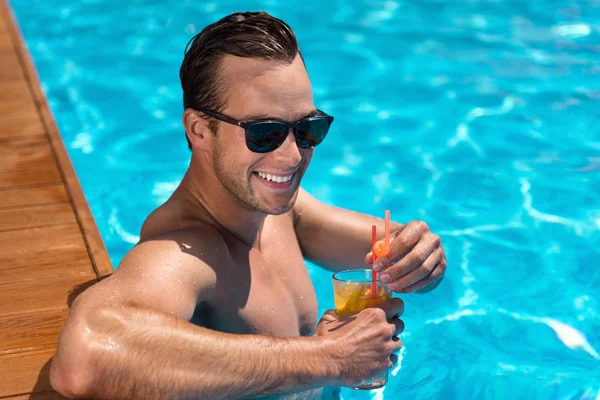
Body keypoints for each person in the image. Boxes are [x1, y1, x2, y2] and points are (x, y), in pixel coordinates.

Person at [50, 11, 447, 400]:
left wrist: (419, 256)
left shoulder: (280, 211)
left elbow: (387, 247)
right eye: (265, 133)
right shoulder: (183, 254)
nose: (292, 156)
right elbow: (85, 359)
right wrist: (326, 358)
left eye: (308, 129)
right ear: (200, 130)